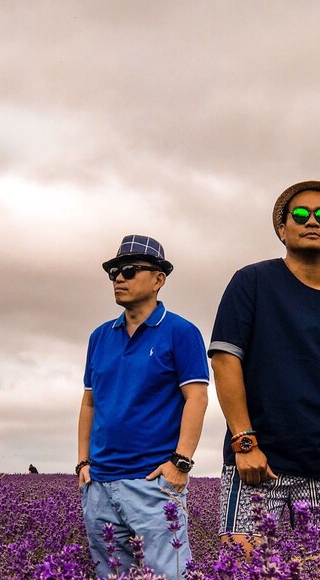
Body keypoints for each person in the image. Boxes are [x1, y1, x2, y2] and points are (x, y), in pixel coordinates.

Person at [209, 181, 320, 550]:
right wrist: (244, 441)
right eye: (299, 214)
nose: (311, 221)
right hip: (256, 462)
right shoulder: (252, 281)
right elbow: (224, 360)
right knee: (241, 565)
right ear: (283, 229)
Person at [78, 234, 209, 579]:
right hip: (100, 484)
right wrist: (82, 463)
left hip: (152, 482)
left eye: (130, 270)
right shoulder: (99, 336)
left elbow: (196, 398)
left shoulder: (181, 332)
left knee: (169, 574)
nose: (119, 277)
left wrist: (180, 463)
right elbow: (90, 402)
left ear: (158, 279)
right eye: (114, 272)